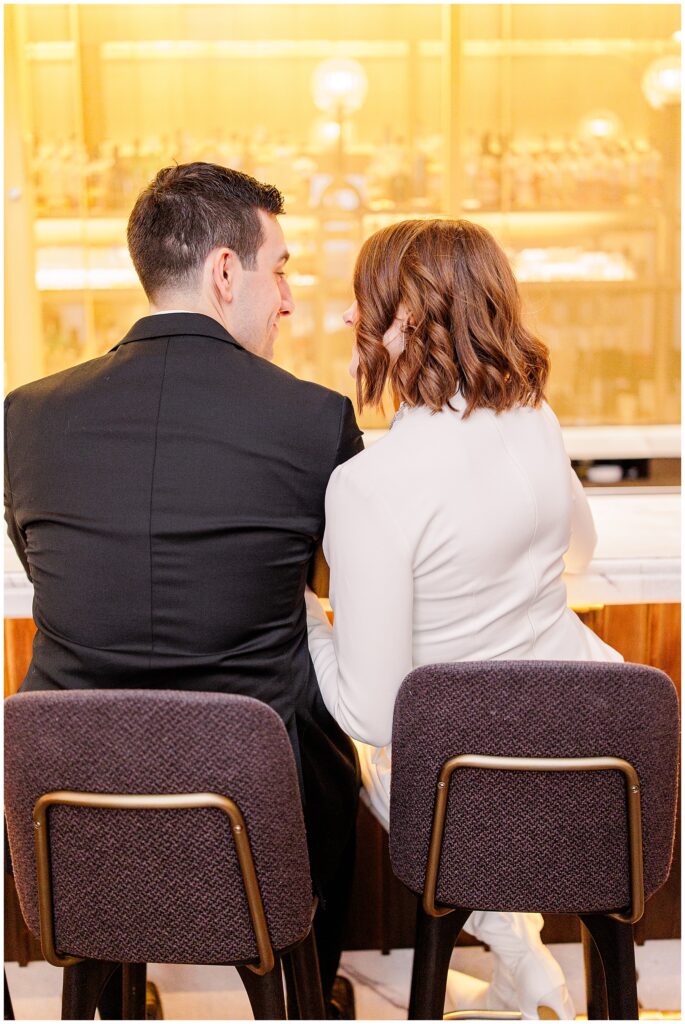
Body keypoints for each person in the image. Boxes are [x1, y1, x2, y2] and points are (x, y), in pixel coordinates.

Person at [4, 162, 363, 1017]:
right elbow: (337, 576)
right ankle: (306, 987)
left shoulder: (27, 414)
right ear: (226, 271)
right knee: (327, 742)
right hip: (256, 789)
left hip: (69, 795)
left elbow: (39, 558)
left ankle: (115, 986)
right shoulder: (314, 419)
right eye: (280, 269)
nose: (286, 299)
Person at [305, 218, 622, 1020]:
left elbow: (371, 709)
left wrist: (304, 616)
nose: (350, 320)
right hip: (597, 767)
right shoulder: (535, 421)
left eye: (362, 302)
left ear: (407, 320)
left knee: (371, 751)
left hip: (469, 796)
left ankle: (520, 953)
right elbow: (578, 554)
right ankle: (525, 960)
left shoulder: (370, 486)